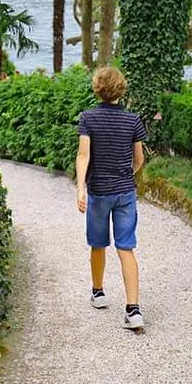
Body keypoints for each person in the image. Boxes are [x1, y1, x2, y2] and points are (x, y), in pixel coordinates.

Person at [75, 66, 146, 330]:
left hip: (98, 192)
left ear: (97, 88)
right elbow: (139, 159)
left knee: (98, 244)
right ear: (121, 89)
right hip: (125, 192)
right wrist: (127, 175)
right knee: (126, 247)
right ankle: (133, 309)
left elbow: (84, 155)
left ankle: (98, 292)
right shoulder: (132, 120)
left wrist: (80, 187)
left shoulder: (88, 119)